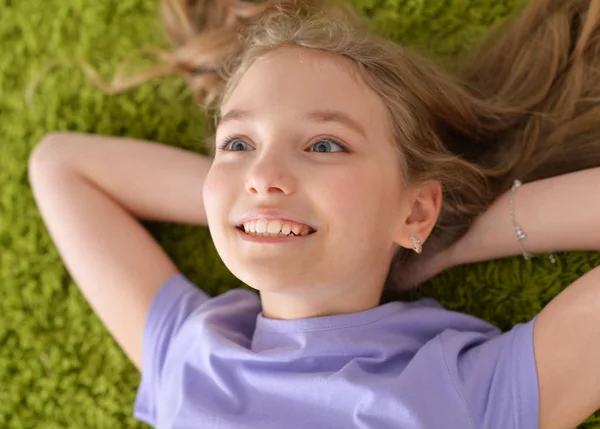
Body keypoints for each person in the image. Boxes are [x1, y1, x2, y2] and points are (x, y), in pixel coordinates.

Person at [27, 0, 600, 427]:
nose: (261, 175)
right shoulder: (194, 352)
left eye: (325, 145)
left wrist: (455, 235)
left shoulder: (466, 392)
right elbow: (60, 164)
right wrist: (245, 207)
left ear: (417, 209)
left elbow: (62, 167)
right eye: (238, 144)